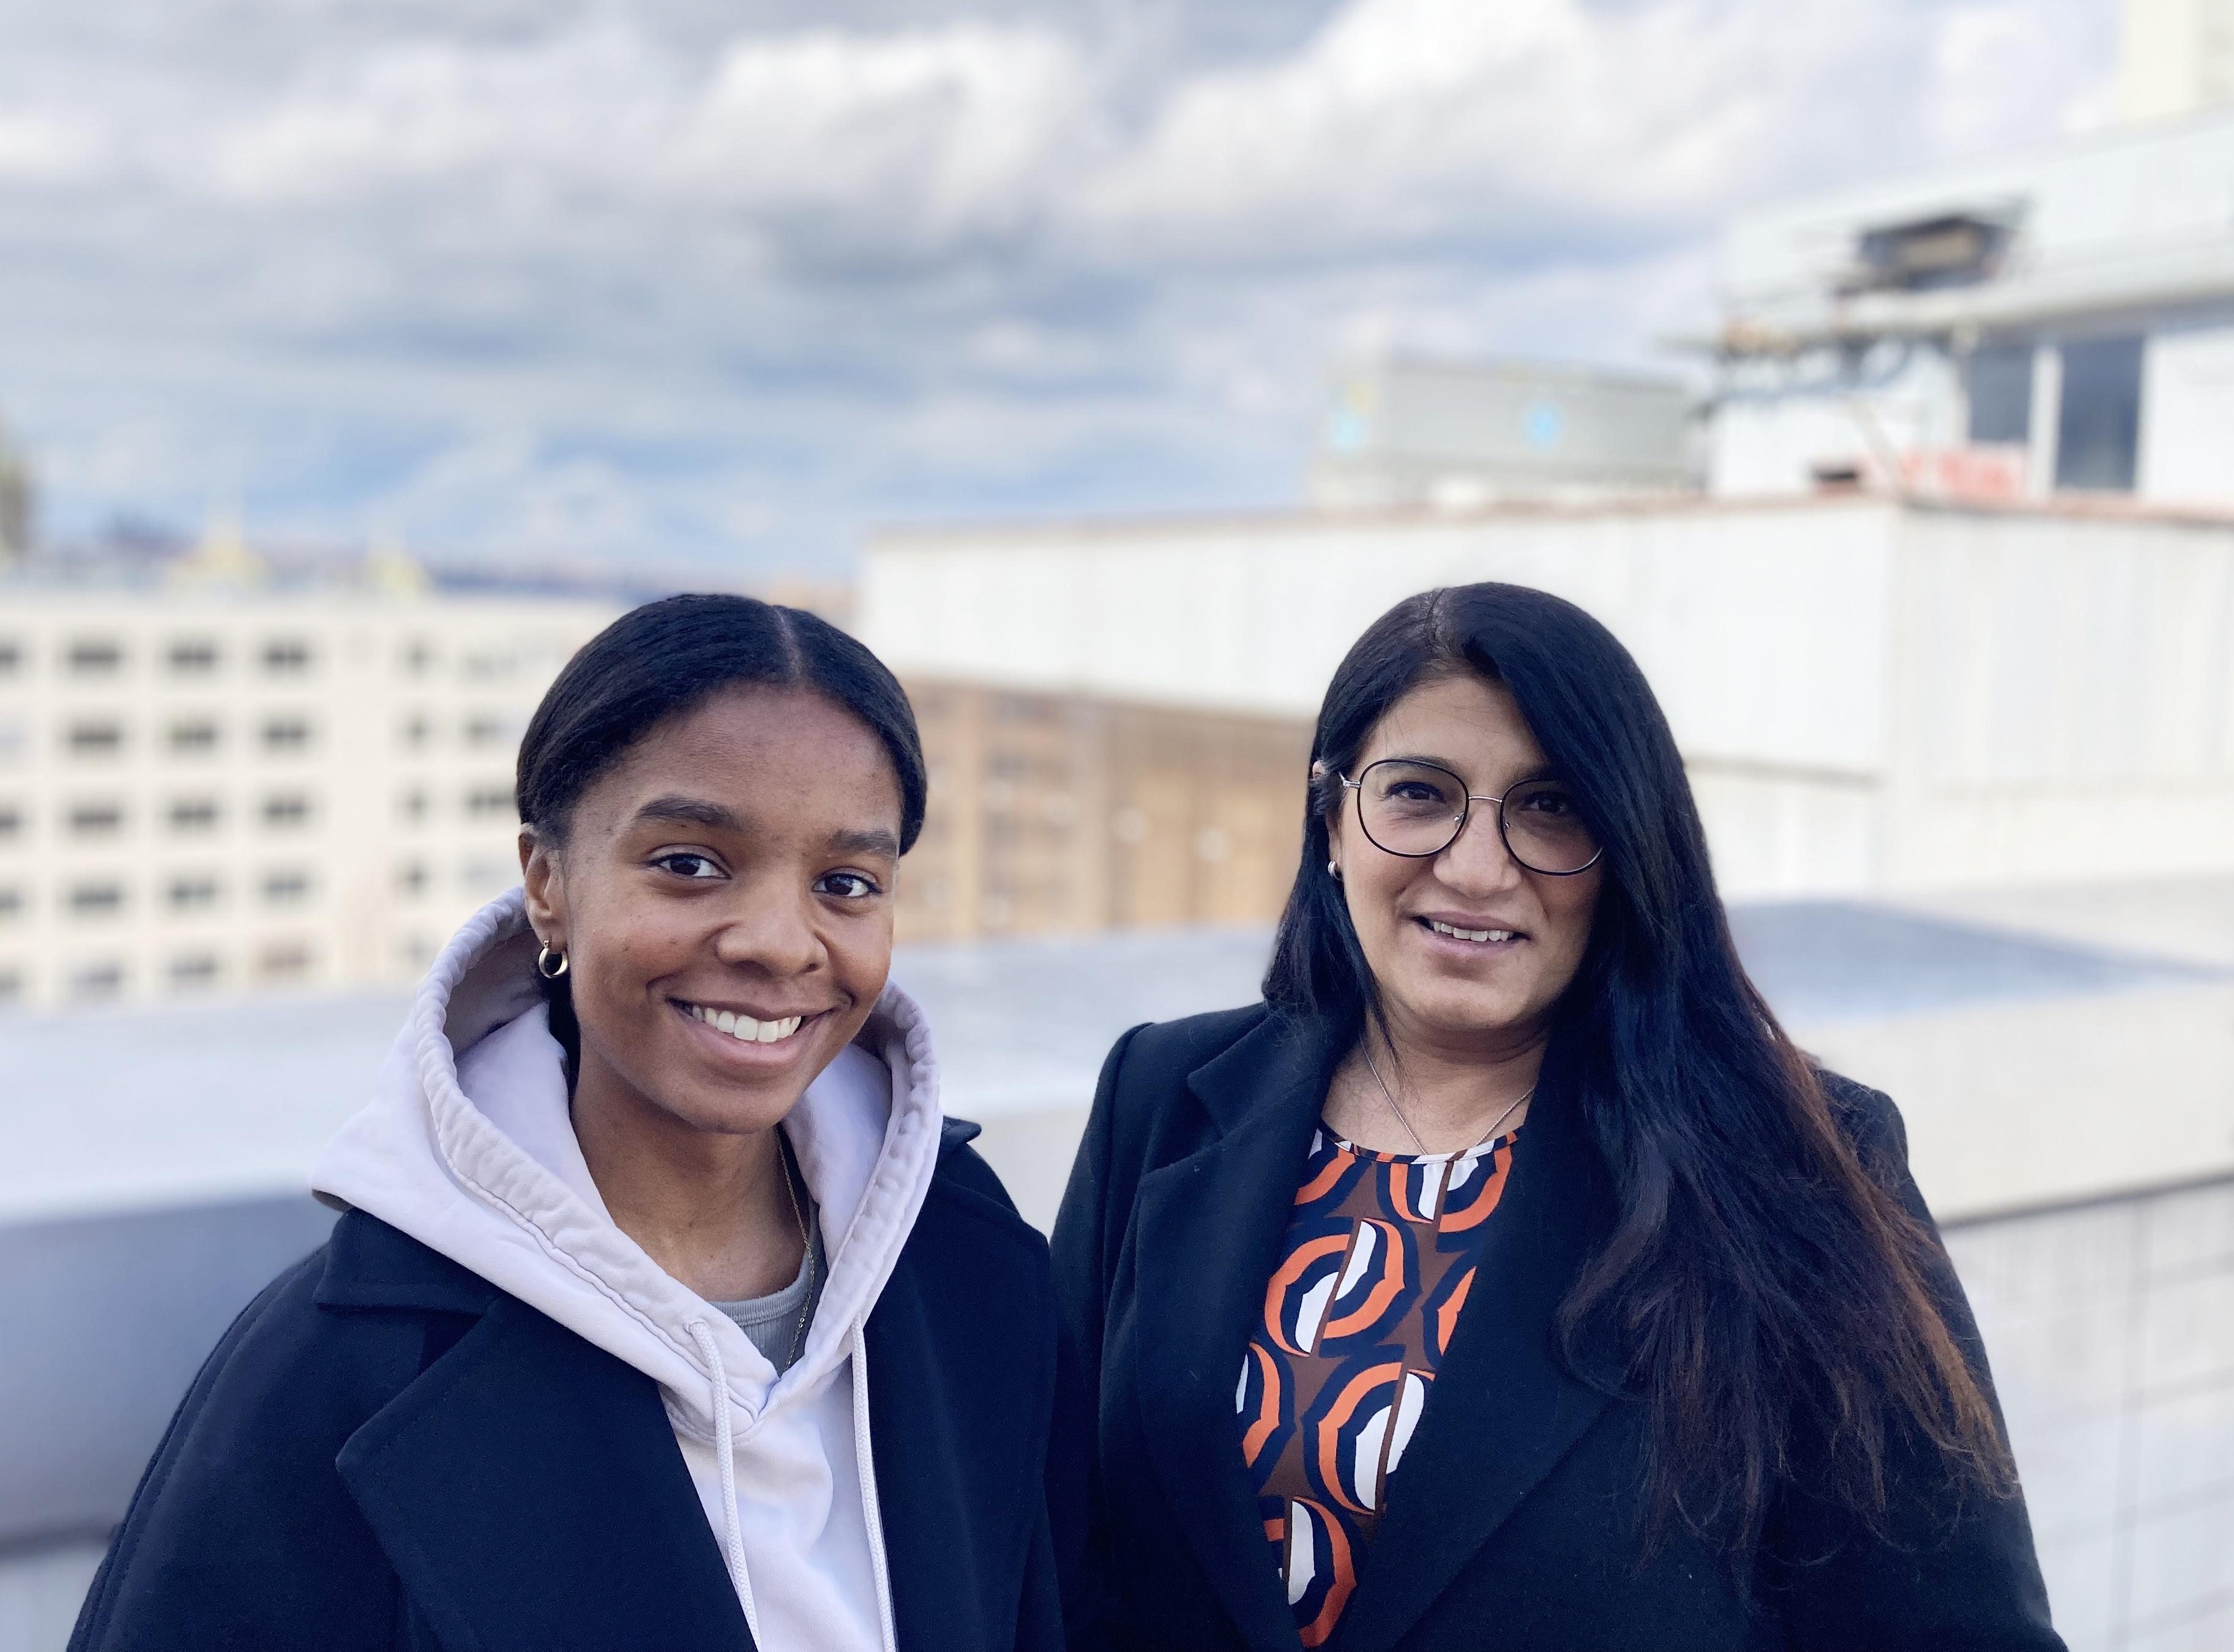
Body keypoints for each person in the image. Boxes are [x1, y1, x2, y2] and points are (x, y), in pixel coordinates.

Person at [1052, 583, 2064, 1651]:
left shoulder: (1794, 1166)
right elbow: (1046, 1540)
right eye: (1417, 793)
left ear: (1627, 850)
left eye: (1551, 807)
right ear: (1330, 818)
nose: (1475, 867)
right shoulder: (1161, 1096)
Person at [73, 594, 1075, 1652]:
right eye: (689, 863)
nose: (781, 941)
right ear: (546, 883)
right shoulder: (341, 1372)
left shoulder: (967, 1258)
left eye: (845, 882)